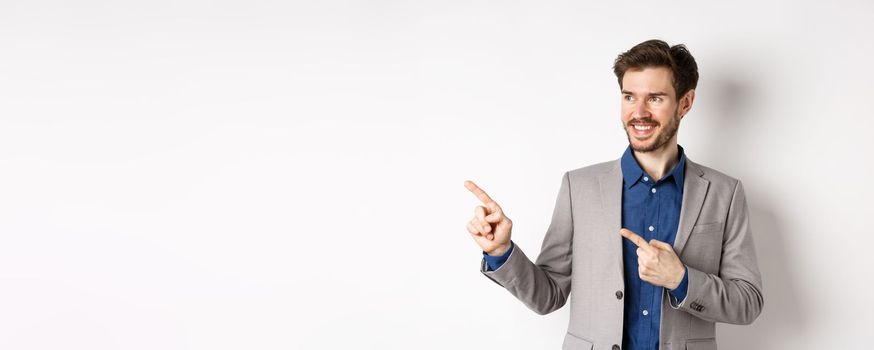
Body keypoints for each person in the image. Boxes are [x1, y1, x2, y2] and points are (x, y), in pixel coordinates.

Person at [464, 39, 763, 350]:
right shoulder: (578, 187)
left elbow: (748, 301)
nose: (639, 112)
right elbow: (547, 296)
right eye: (629, 97)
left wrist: (681, 279)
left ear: (685, 103)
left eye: (655, 99)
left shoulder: (724, 193)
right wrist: (501, 251)